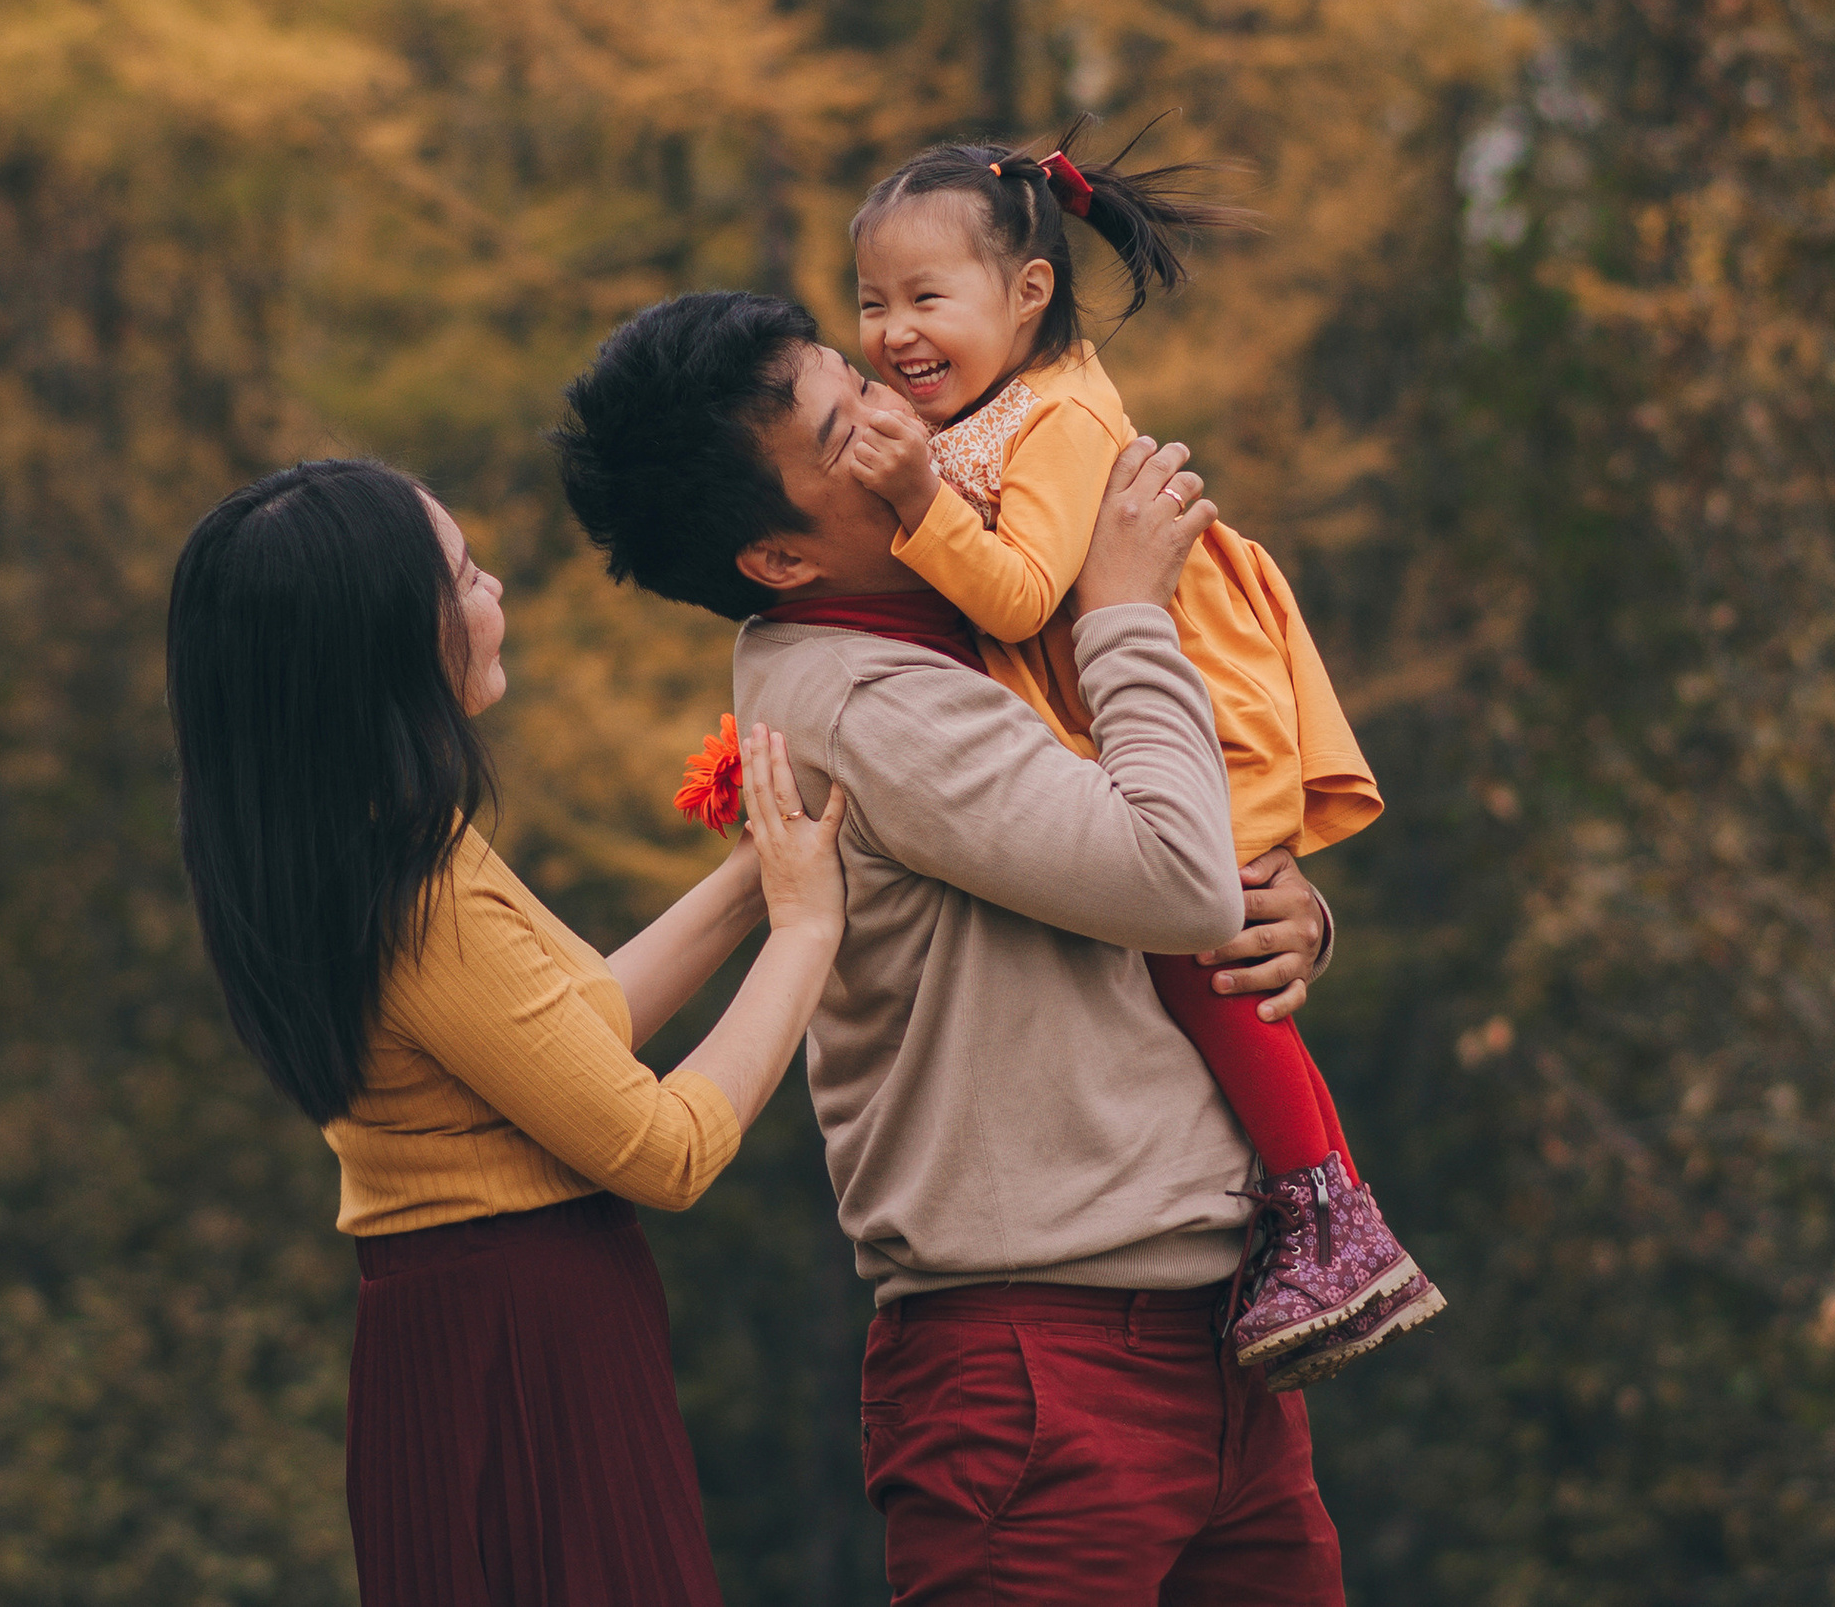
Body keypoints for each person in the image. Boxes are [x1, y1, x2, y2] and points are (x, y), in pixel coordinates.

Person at [555, 293, 1350, 1603]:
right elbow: (1166, 873)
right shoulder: (861, 697)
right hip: (1042, 1364)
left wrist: (1296, 908)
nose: (899, 414)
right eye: (844, 428)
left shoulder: (965, 612)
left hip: (1218, 1334)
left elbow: (1183, 861)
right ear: (778, 559)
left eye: (863, 380)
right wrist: (1126, 608)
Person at [165, 457, 848, 1607]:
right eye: (467, 576)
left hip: (449, 1336)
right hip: (523, 1346)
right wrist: (803, 929)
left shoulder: (355, 849)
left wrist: (747, 884)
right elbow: (662, 1148)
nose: (495, 597)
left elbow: (576, 1032)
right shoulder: (418, 892)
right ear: (386, 646)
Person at [840, 132, 1442, 1383]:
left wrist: (914, 504)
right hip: (1127, 698)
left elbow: (1012, 598)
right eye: (871, 304)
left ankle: (1325, 1204)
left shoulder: (1056, 420)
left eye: (925, 299)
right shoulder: (984, 407)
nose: (894, 333)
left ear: (1027, 295)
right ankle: (1312, 1199)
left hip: (1192, 696)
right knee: (1196, 946)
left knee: (1197, 955)